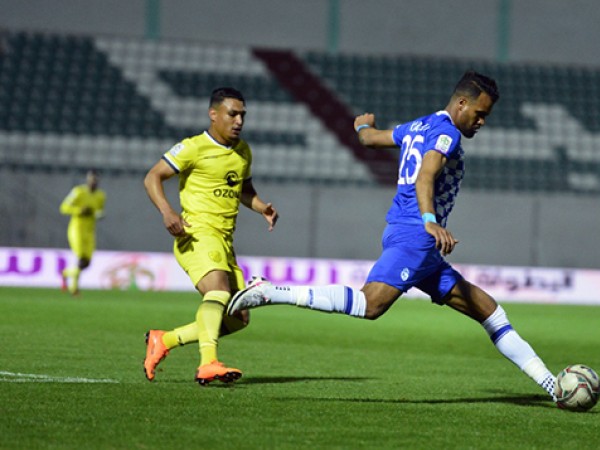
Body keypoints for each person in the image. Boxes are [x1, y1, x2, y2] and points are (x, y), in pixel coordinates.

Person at [228, 71, 558, 401]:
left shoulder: (418, 126)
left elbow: (370, 139)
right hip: (417, 234)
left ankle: (552, 385)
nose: (482, 122)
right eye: (480, 113)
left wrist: (361, 126)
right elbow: (426, 176)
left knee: (489, 311)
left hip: (408, 236)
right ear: (461, 103)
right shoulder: (447, 134)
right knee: (370, 304)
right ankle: (270, 291)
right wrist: (430, 220)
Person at [142, 87, 279, 385]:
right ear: (213, 114)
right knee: (217, 292)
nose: (239, 120)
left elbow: (244, 190)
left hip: (224, 241)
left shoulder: (243, 151)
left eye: (243, 114)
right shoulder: (192, 147)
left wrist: (261, 207)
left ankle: (164, 340)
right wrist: (167, 212)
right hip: (197, 234)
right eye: (233, 114)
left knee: (237, 318)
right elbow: (153, 176)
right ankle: (208, 363)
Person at [60, 168, 106, 296]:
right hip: (77, 229)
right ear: (87, 179)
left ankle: (65, 273)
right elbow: (64, 207)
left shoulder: (101, 195)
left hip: (90, 231)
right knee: (82, 260)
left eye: (95, 180)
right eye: (91, 179)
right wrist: (79, 210)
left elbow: (100, 212)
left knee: (87, 263)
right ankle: (74, 289)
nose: (93, 182)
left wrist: (96, 213)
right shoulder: (78, 192)